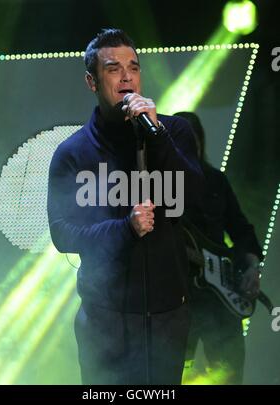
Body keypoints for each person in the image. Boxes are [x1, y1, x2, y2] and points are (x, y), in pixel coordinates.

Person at [47, 28, 203, 385]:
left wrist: (156, 133)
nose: (127, 76)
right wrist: (124, 229)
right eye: (113, 68)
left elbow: (197, 198)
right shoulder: (74, 153)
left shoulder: (172, 132)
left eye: (133, 67)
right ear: (92, 81)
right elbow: (62, 234)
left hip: (168, 313)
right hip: (106, 319)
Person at [174, 111, 263, 385]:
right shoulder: (159, 187)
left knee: (228, 373)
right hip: (178, 299)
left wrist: (251, 266)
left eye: (193, 139)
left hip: (221, 299)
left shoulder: (216, 181)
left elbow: (242, 230)